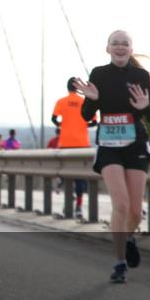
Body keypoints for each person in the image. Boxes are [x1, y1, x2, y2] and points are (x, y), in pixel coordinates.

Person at [74, 30, 150, 284]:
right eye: (116, 43)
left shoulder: (141, 76)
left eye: (125, 44)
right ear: (108, 48)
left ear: (131, 49)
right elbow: (86, 115)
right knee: (120, 204)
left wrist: (145, 108)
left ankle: (129, 237)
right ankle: (120, 261)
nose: (120, 47)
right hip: (109, 145)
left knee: (135, 211)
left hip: (136, 144)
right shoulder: (99, 74)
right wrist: (93, 100)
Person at [51, 77, 97, 217]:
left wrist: (62, 125)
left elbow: (53, 118)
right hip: (82, 144)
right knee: (80, 178)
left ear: (67, 88)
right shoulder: (84, 101)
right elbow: (94, 122)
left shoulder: (61, 101)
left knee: (66, 175)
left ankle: (68, 202)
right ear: (78, 88)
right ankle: (78, 207)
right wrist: (83, 125)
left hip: (65, 144)